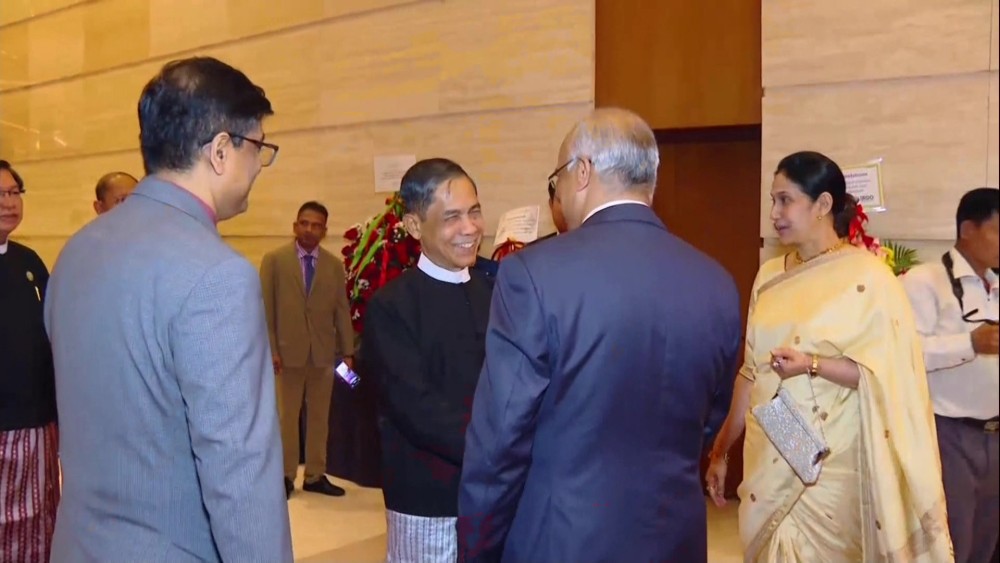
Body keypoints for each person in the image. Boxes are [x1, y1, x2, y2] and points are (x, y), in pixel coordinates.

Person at [457, 107, 741, 562]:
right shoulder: (717, 282)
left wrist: (477, 550)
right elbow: (709, 417)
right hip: (675, 538)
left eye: (557, 180)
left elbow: (500, 442)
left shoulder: (533, 274)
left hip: (564, 540)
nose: (558, 194)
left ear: (583, 171)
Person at [43, 57, 292, 562]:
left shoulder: (78, 250)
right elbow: (240, 474)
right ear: (221, 151)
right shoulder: (219, 275)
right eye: (258, 148)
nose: (258, 167)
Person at [705, 151, 953, 562]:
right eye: (772, 201)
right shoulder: (769, 277)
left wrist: (812, 365)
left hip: (830, 470)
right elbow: (750, 374)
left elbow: (888, 375)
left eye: (785, 200)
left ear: (822, 204)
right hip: (770, 457)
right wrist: (720, 452)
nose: (774, 213)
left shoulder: (869, 278)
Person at [362, 158, 492, 562]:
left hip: (496, 493)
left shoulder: (497, 292)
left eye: (474, 212)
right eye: (452, 217)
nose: (469, 228)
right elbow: (416, 408)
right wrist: (499, 447)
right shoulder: (392, 306)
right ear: (414, 226)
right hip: (427, 501)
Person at [900, 187, 998, 563]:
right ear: (968, 229)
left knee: (986, 546)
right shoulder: (924, 281)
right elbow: (907, 354)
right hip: (949, 435)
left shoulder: (996, 284)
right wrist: (970, 343)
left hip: (995, 437)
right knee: (952, 543)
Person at [260, 200, 354, 499]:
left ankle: (315, 475)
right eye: (304, 223)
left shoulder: (333, 266)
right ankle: (285, 476)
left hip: (323, 355)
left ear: (324, 231)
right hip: (286, 355)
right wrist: (271, 349)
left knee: (319, 418)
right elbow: (265, 311)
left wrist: (348, 352)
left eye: (316, 225)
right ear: (295, 226)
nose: (309, 229)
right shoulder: (275, 261)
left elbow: (341, 311)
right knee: (287, 418)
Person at [0, 159, 60, 563]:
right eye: (0, 195)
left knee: (38, 524)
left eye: (14, 193)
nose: (9, 203)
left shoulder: (29, 262)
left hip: (37, 424)